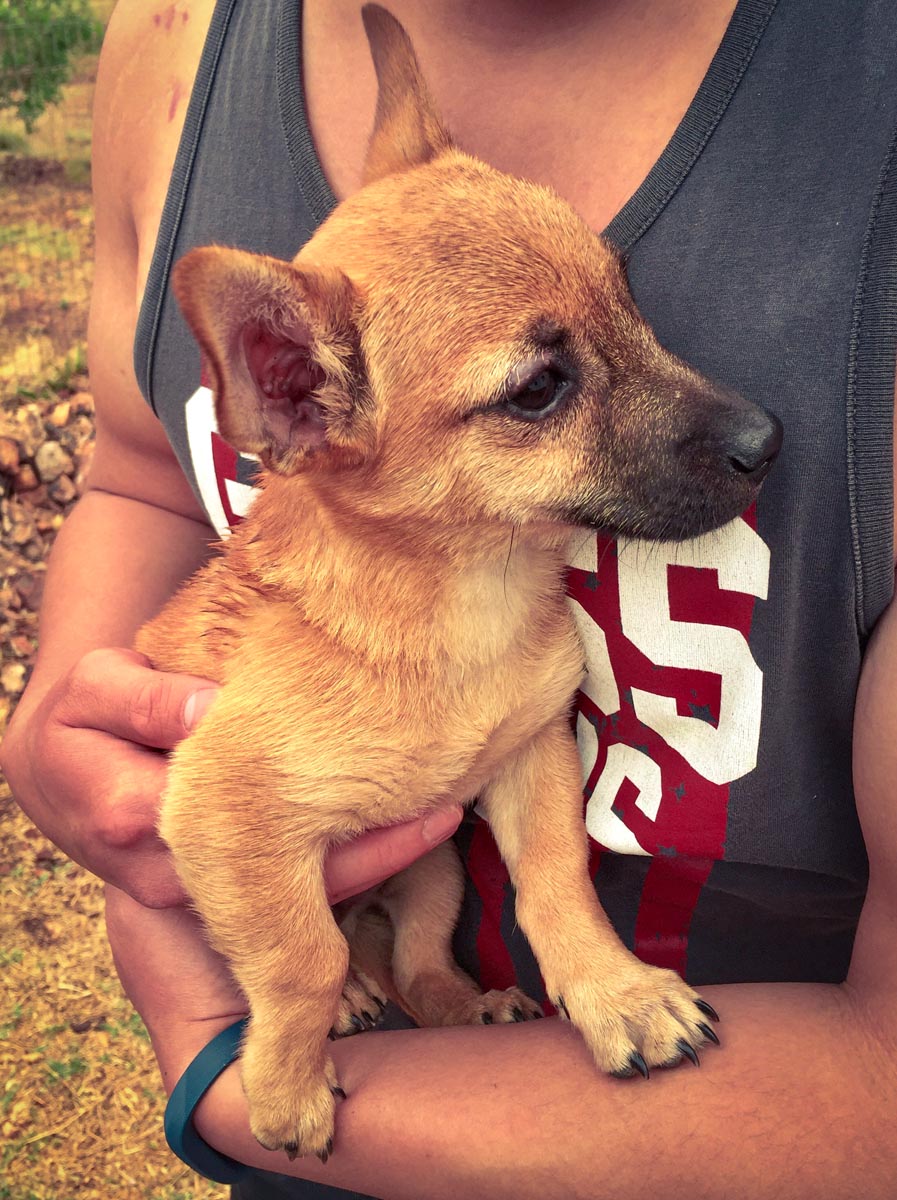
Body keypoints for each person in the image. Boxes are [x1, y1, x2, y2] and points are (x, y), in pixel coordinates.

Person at [3, 0, 897, 1196]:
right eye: (540, 392)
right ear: (294, 395)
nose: (734, 428)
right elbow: (141, 471)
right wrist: (58, 705)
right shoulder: (169, 44)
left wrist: (224, 1074)